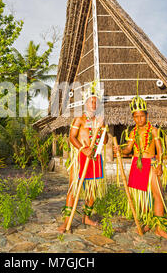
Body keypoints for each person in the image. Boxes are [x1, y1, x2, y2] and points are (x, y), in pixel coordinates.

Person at [113, 92, 167, 241]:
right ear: (133, 117)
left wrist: (160, 164)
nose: (139, 119)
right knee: (142, 198)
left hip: (151, 164)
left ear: (146, 115)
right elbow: (128, 149)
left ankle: (159, 229)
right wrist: (119, 150)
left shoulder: (153, 130)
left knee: (158, 195)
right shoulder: (133, 132)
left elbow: (160, 149)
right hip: (137, 165)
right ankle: (148, 222)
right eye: (136, 116)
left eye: (142, 116)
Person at [57, 81, 108, 233]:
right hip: (80, 157)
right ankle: (67, 221)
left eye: (95, 101)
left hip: (95, 158)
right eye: (91, 101)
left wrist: (102, 127)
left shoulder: (100, 121)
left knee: (92, 190)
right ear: (85, 103)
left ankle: (86, 217)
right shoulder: (78, 119)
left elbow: (105, 141)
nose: (93, 104)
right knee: (74, 189)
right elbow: (71, 138)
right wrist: (83, 149)